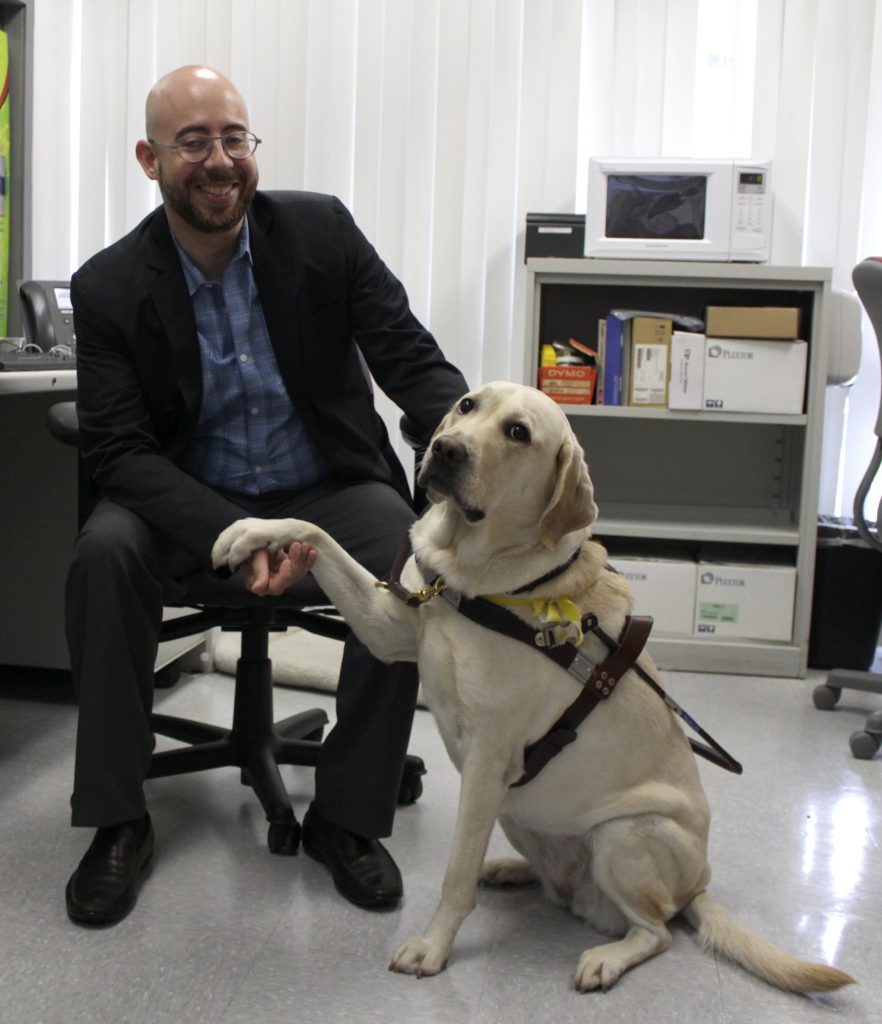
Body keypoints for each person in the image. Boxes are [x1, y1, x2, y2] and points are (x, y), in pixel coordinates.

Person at [64, 64, 468, 926]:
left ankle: (348, 819)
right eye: (193, 142)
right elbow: (121, 454)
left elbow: (410, 359)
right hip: (186, 504)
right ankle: (116, 820)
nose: (218, 160)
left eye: (233, 138)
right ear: (150, 159)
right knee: (103, 551)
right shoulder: (107, 287)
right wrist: (243, 532)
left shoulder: (321, 233)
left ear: (252, 148)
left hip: (323, 489)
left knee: (409, 551)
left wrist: (479, 442)